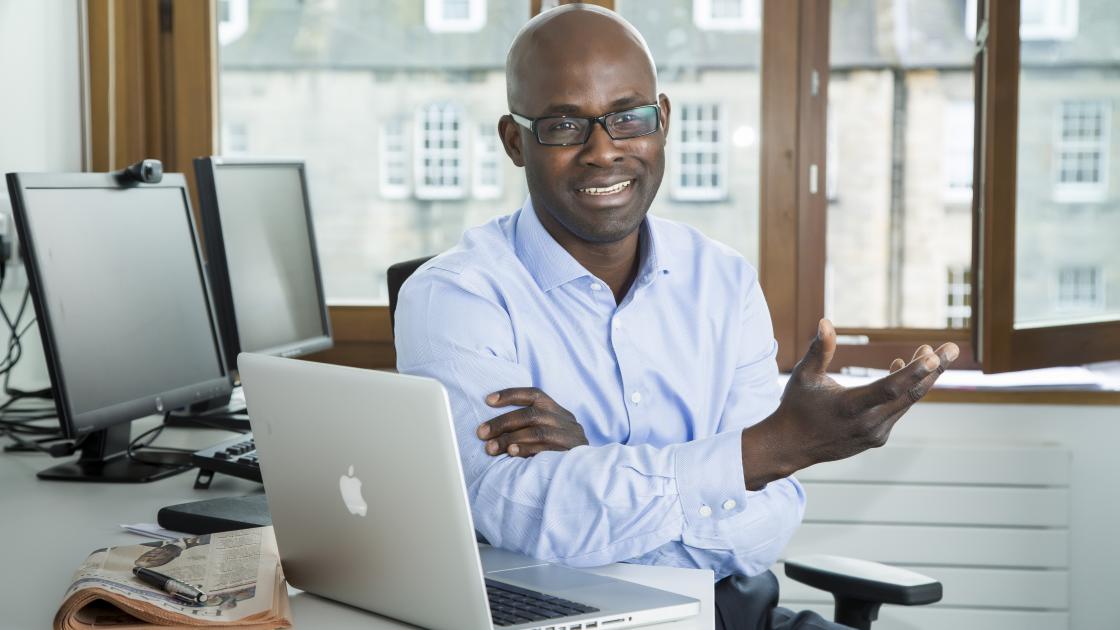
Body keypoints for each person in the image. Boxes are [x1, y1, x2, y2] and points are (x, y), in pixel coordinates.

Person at [394, 5, 958, 629]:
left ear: (661, 121)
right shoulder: (453, 297)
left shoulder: (724, 281)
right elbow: (519, 513)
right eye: (562, 126)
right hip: (571, 619)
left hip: (735, 612)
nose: (602, 151)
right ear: (513, 141)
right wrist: (763, 453)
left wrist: (597, 463)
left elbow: (768, 527)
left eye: (627, 117)